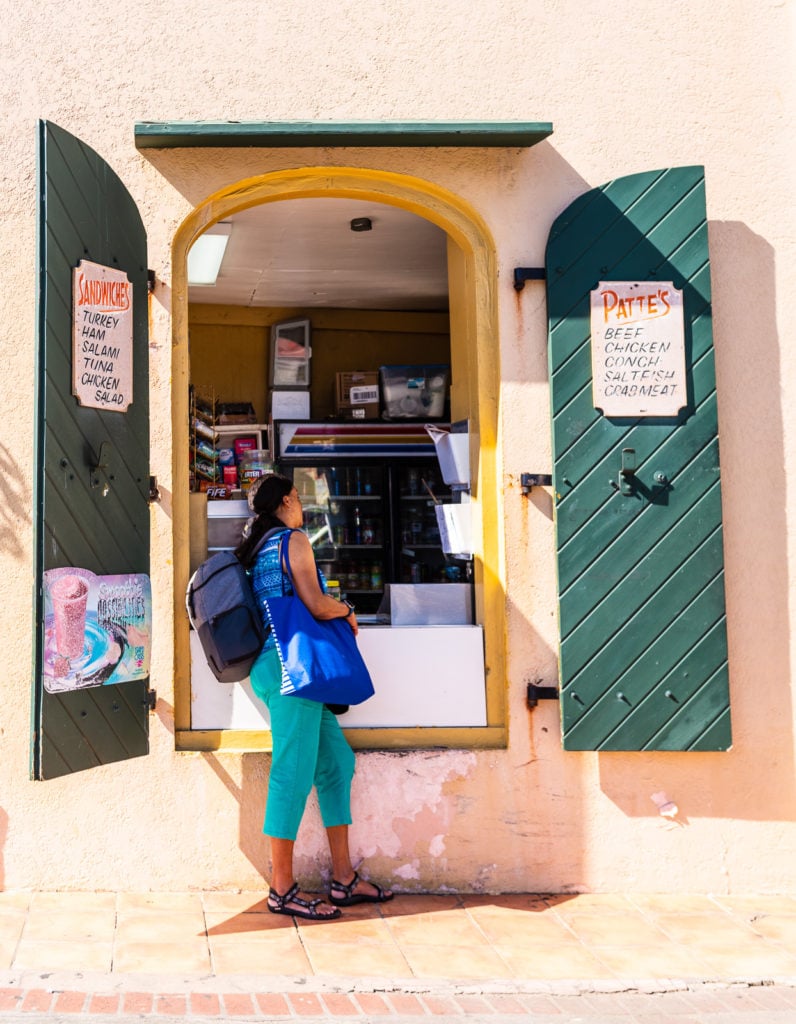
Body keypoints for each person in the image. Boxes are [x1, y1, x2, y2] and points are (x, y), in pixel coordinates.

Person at [235, 473, 393, 920]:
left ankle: (343, 879)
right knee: (292, 771)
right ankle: (281, 889)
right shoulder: (292, 539)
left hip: (276, 667)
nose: (301, 504)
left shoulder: (259, 547)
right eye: (298, 497)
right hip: (291, 668)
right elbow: (316, 604)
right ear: (287, 500)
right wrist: (347, 610)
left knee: (335, 763)